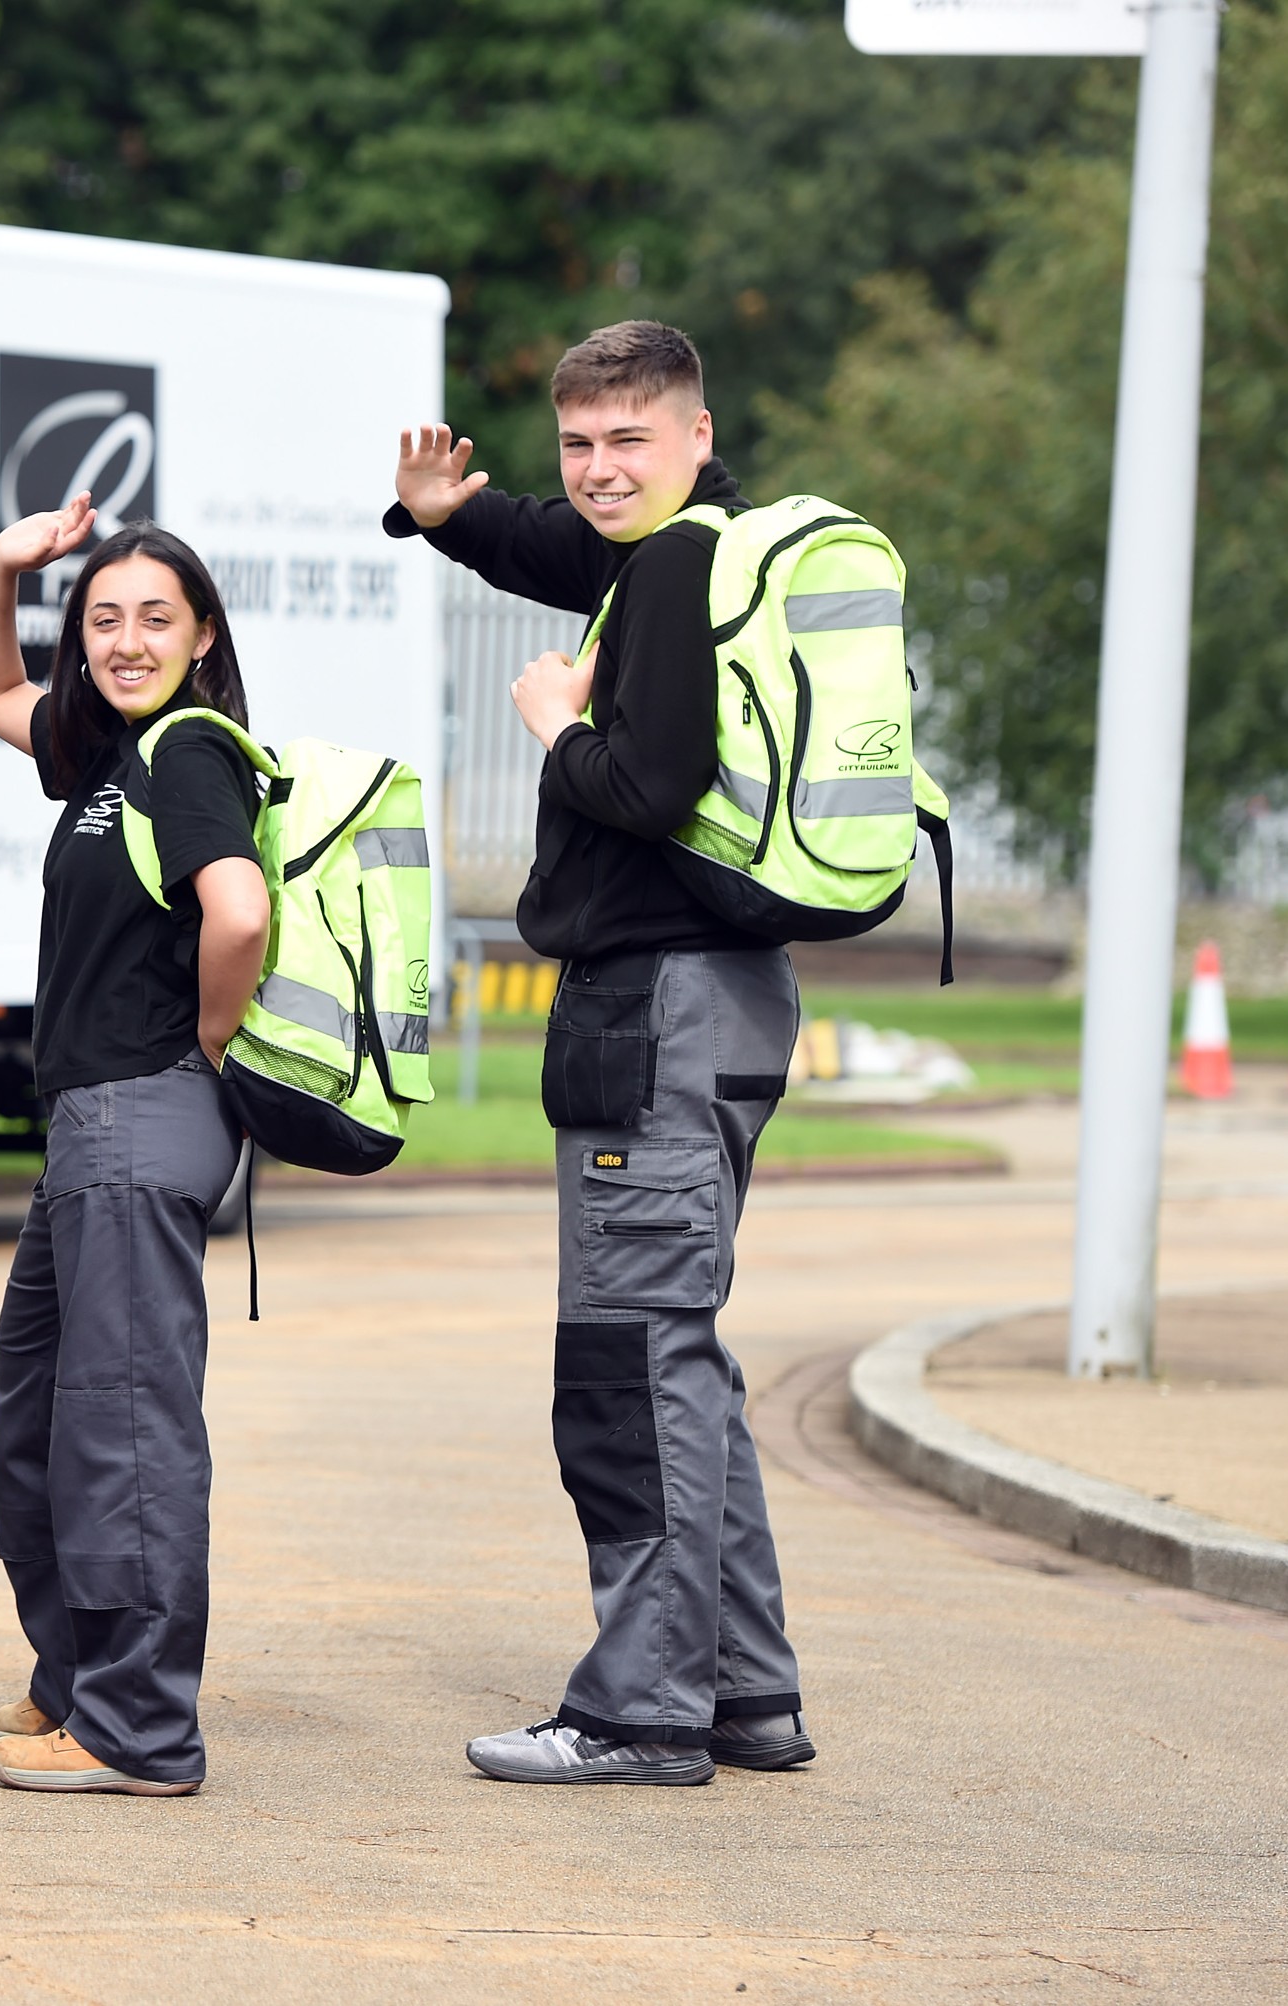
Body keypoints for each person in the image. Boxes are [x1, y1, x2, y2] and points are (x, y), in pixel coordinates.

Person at [388, 320, 813, 1786]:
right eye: (577, 443)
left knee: (632, 1367)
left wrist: (556, 730)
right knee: (681, 1353)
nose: (596, 469)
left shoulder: (682, 569)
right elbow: (549, 548)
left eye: (628, 439)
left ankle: (642, 1708)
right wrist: (450, 521)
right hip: (708, 999)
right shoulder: (678, 555)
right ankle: (744, 1689)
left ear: (699, 435)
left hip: (663, 1011)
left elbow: (648, 781)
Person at [0, 498, 271, 1797]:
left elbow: (237, 911)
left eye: (154, 616)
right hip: (92, 1126)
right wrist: (1, 569)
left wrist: (204, 1040)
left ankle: (140, 1725)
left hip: (143, 1111)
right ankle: (78, 1669)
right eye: (103, 620)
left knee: (122, 1428)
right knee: (38, 1408)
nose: (126, 639)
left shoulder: (190, 748)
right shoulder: (105, 756)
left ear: (203, 636)